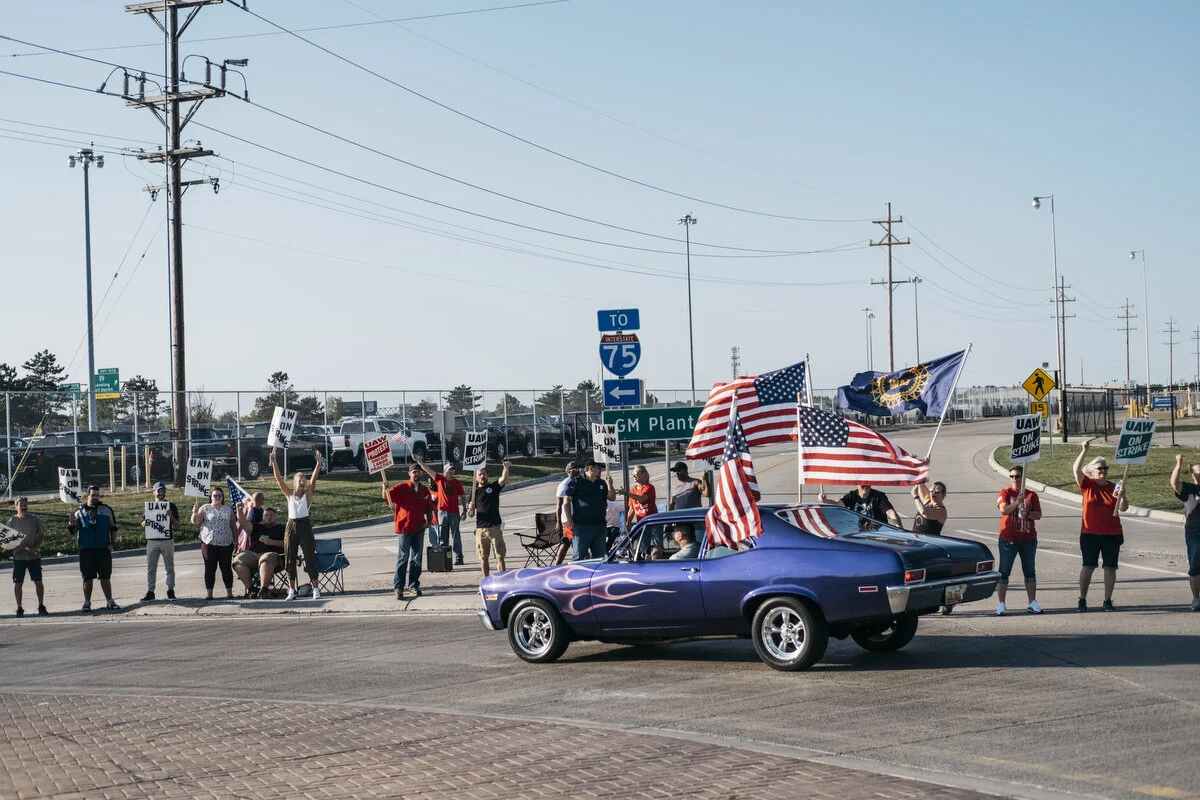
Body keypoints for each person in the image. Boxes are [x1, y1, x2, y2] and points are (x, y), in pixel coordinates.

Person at [1073, 439, 1128, 612]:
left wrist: (1123, 496)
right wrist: (1084, 450)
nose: (1103, 471)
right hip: (1090, 533)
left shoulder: (1114, 487)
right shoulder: (1087, 485)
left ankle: (1107, 600)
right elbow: (1076, 469)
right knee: (1088, 566)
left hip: (1112, 534)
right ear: (1091, 472)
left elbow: (1123, 508)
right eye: (1100, 468)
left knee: (1110, 568)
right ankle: (1082, 599)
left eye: (1105, 468)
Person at [270, 448, 323, 601]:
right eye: (299, 478)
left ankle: (315, 589)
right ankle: (291, 590)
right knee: (290, 558)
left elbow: (314, 481)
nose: (302, 479)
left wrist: (318, 465)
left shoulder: (308, 495)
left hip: (304, 525)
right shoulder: (290, 495)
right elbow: (279, 479)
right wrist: (274, 462)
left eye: (303, 478)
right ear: (294, 482)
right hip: (291, 525)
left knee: (309, 556)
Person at [996, 466, 1043, 615]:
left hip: (1028, 538)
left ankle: (1032, 602)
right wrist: (1017, 503)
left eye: (1017, 476)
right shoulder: (1005, 492)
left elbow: (1038, 515)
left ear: (1023, 477)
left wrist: (1027, 513)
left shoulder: (1032, 495)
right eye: (1011, 476)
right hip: (1008, 539)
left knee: (1030, 571)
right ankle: (1001, 604)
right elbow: (1004, 510)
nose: (1014, 479)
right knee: (1004, 571)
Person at [384, 463, 435, 599]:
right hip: (405, 528)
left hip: (419, 528)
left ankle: (413, 586)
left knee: (417, 558)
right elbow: (388, 499)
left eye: (418, 473)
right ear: (409, 474)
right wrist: (385, 489)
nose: (416, 475)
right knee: (403, 557)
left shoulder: (425, 490)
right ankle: (398, 588)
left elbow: (429, 508)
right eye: (414, 472)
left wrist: (429, 522)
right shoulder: (402, 488)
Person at [67, 485, 120, 612]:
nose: (96, 497)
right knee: (87, 577)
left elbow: (113, 527)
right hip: (86, 550)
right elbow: (73, 531)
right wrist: (71, 523)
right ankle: (87, 603)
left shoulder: (106, 510)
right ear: (87, 496)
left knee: (105, 577)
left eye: (97, 495)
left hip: (103, 549)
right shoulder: (79, 512)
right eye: (93, 495)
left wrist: (112, 543)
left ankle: (109, 601)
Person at [413, 452, 468, 566]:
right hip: (442, 512)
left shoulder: (457, 483)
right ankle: (445, 556)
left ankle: (459, 557)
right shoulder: (439, 479)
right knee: (443, 536)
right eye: (449, 470)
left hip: (454, 512)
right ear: (444, 471)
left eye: (452, 470)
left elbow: (462, 497)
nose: (451, 472)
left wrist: (464, 510)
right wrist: (418, 460)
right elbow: (427, 469)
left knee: (456, 535)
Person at [190, 486, 244, 601]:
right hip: (209, 543)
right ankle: (209, 594)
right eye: (215, 495)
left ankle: (229, 592)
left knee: (226, 568)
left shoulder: (228, 509)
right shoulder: (205, 508)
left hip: (226, 543)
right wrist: (194, 512)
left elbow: (233, 526)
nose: (217, 497)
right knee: (210, 568)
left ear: (223, 497)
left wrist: (236, 540)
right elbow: (196, 521)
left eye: (220, 495)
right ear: (211, 497)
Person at [564, 460, 616, 561]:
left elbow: (612, 497)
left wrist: (610, 485)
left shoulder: (601, 483)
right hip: (582, 526)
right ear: (590, 468)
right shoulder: (576, 481)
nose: (600, 472)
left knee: (598, 557)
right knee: (579, 556)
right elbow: (566, 501)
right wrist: (569, 519)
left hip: (599, 525)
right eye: (598, 469)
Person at [1167, 454, 1200, 611]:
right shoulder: (1189, 489)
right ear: (1193, 475)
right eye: (1199, 472)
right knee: (1195, 567)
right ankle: (1196, 599)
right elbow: (1174, 483)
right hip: (1194, 533)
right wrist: (1178, 464)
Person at [467, 460, 511, 577]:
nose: (482, 476)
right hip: (481, 530)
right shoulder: (474, 493)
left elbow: (503, 479)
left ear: (487, 475)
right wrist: (470, 508)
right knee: (483, 558)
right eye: (480, 474)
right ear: (476, 478)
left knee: (499, 556)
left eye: (484, 474)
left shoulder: (493, 487)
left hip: (495, 527)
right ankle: (486, 581)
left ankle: (503, 580)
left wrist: (505, 468)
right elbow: (470, 514)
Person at [233, 507, 286, 598]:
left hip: (275, 556)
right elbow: (243, 522)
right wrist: (239, 510)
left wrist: (273, 542)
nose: (269, 517)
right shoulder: (257, 527)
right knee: (238, 560)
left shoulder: (282, 528)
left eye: (271, 515)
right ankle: (251, 589)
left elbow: (288, 544)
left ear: (276, 517)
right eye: (266, 515)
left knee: (266, 558)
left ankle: (264, 590)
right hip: (254, 555)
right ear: (263, 517)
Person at [7, 496, 47, 616]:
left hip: (34, 557)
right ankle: (19, 608)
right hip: (19, 558)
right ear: (16, 507)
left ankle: (41, 605)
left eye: (25, 505)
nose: (24, 507)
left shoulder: (34, 519)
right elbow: (7, 541)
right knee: (18, 583)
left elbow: (41, 536)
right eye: (21, 505)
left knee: (38, 581)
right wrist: (16, 546)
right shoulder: (12, 521)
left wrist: (35, 547)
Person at [140, 481, 180, 602]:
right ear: (154, 492)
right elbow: (143, 523)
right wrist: (145, 523)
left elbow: (177, 525)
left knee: (169, 567)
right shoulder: (150, 506)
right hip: (152, 541)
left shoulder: (171, 505)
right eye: (159, 491)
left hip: (167, 540)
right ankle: (150, 591)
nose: (161, 493)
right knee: (151, 568)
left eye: (163, 491)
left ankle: (170, 590)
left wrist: (171, 517)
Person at [820, 485, 903, 529]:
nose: (865, 487)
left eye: (868, 485)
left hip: (878, 534)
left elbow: (891, 513)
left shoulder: (879, 497)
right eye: (863, 485)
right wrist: (825, 500)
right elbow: (838, 503)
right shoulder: (852, 496)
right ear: (857, 484)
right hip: (859, 535)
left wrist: (899, 529)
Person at [552, 461, 580, 566]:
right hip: (568, 520)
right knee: (578, 543)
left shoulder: (578, 482)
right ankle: (586, 563)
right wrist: (558, 522)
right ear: (569, 471)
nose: (578, 470)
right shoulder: (564, 484)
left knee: (566, 543)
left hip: (577, 517)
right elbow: (559, 505)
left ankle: (556, 565)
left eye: (578, 468)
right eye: (575, 468)